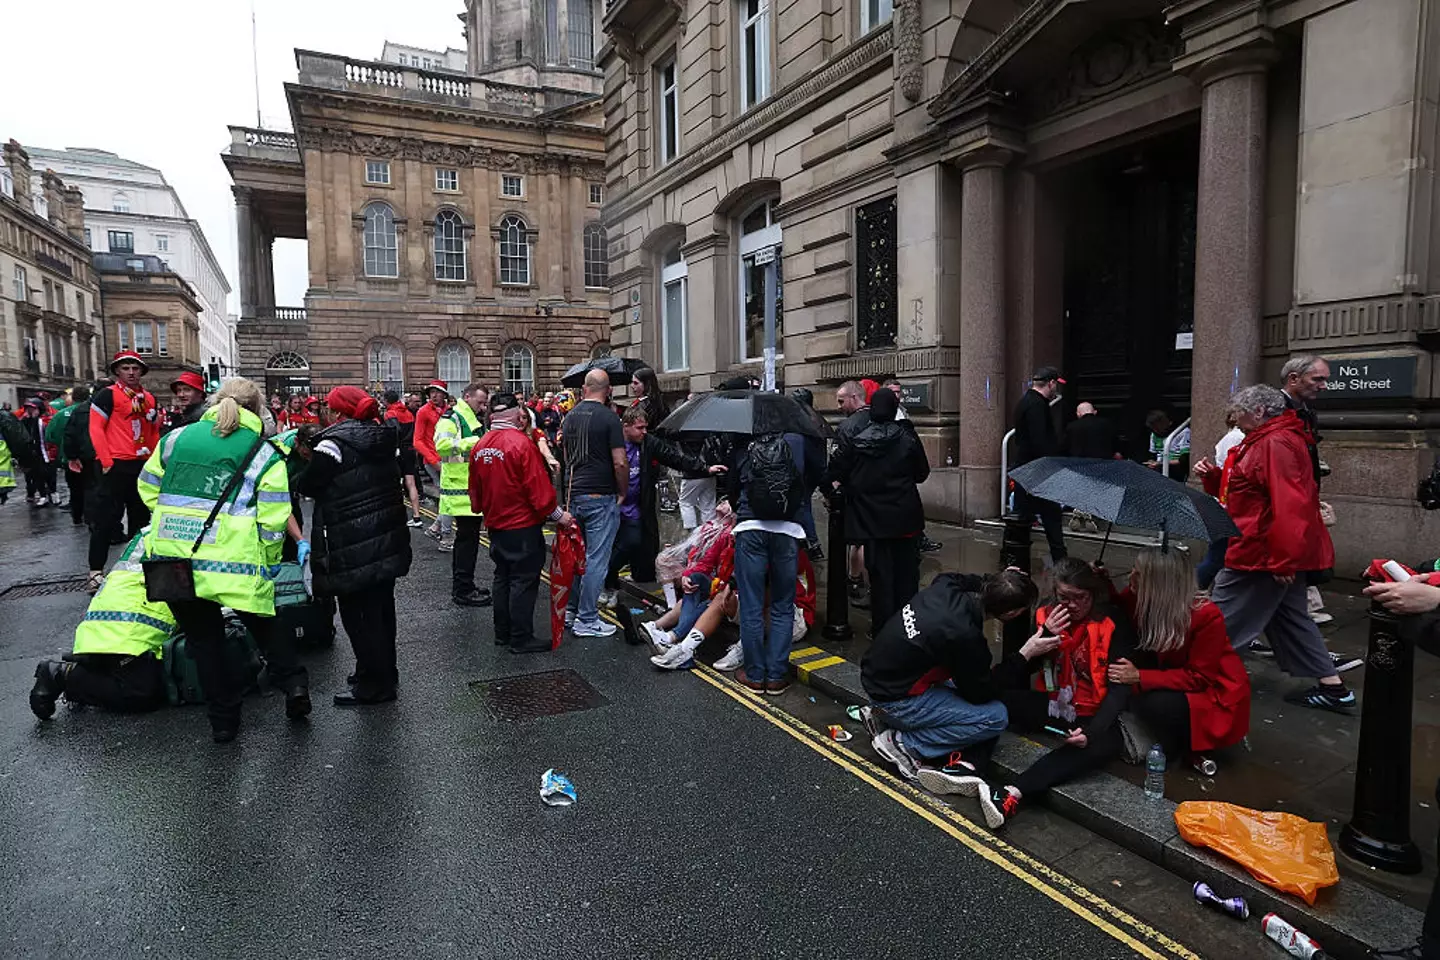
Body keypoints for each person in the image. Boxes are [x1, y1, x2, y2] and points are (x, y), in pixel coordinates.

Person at [137, 378, 309, 742]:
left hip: (175, 559)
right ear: (256, 408)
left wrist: (173, 521)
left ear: (215, 401)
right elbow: (275, 514)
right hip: (236, 563)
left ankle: (224, 722)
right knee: (264, 623)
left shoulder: (175, 439)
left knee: (204, 641)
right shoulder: (263, 453)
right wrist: (271, 555)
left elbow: (148, 486)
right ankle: (294, 687)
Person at [1205, 383, 1354, 712]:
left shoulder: (1274, 443)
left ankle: (1199, 678)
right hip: (1267, 549)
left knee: (1219, 619)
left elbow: (1288, 505)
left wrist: (1283, 560)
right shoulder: (1273, 440)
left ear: (1258, 411)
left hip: (1258, 553)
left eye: (1240, 413)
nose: (1236, 420)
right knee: (1290, 617)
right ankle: (1334, 688)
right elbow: (1256, 493)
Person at [982, 558, 1136, 828]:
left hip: (1094, 713)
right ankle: (965, 762)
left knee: (1100, 744)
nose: (1073, 605)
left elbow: (1118, 690)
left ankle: (1014, 792)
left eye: (1081, 598)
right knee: (995, 697)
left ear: (1093, 594)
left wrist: (1092, 731)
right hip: (1056, 703)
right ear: (1055, 592)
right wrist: (1045, 635)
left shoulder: (1113, 622)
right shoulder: (1045, 614)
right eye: (1065, 597)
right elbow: (1024, 669)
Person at [862, 570, 1039, 787]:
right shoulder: (965, 636)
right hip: (894, 700)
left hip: (875, 677)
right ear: (1011, 614)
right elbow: (981, 694)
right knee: (995, 716)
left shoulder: (945, 586)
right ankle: (905, 744)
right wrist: (1025, 654)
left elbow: (959, 577)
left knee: (956, 682)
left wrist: (1000, 580)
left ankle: (882, 718)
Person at [298, 386, 412, 705]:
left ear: (337, 413)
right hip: (385, 537)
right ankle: (381, 672)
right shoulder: (380, 436)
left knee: (359, 616)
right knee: (381, 612)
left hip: (351, 542)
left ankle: (373, 686)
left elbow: (310, 484)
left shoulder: (332, 444)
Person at [1105, 547, 1251, 766]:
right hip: (1171, 673)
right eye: (1132, 571)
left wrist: (1140, 677)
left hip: (1211, 691)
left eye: (1138, 575)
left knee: (1154, 703)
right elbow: (1119, 606)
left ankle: (1179, 748)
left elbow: (1199, 677)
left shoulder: (1205, 614)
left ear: (1159, 583)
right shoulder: (1140, 596)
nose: (1130, 578)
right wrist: (1102, 581)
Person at [724, 394, 818, 695]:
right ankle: (776, 676)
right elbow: (814, 476)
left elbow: (732, 486)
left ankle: (754, 674)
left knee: (751, 606)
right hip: (788, 530)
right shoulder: (798, 441)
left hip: (751, 527)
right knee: (781, 605)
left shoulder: (743, 444)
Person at [469, 392, 576, 654]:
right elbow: (538, 490)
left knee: (502, 576)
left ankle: (503, 633)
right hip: (521, 525)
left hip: (496, 523)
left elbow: (475, 489)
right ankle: (520, 637)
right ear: (518, 416)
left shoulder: (480, 445)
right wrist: (559, 516)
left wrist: (483, 512)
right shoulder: (520, 444)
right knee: (523, 580)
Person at [29, 532, 173, 719]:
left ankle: (95, 666)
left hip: (118, 619)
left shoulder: (158, 526)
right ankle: (61, 675)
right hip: (129, 627)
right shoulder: (195, 529)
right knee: (142, 693)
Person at [827, 388, 930, 635]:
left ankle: (882, 630)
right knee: (907, 577)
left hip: (872, 521)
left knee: (881, 577)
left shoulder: (857, 439)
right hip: (905, 518)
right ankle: (908, 628)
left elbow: (835, 472)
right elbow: (922, 473)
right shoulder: (908, 437)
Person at [608, 405, 723, 601]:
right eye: (639, 428)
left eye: (645, 427)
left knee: (632, 541)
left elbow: (674, 457)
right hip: (612, 505)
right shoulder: (612, 443)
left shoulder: (648, 443)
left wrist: (705, 468)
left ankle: (612, 577)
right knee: (614, 546)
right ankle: (607, 582)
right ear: (625, 427)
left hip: (636, 506)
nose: (644, 432)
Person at [562, 368, 628, 638]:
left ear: (585, 388)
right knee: (596, 560)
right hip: (600, 496)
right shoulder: (610, 418)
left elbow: (566, 458)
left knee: (578, 558)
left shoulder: (569, 417)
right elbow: (620, 461)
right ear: (608, 389)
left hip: (574, 494)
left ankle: (571, 610)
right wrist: (622, 491)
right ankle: (587, 620)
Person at [87, 351, 161, 591]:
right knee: (106, 519)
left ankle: (133, 569)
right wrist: (106, 461)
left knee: (140, 519)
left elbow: (153, 432)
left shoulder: (148, 398)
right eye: (126, 368)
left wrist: (154, 460)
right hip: (116, 464)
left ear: (141, 372)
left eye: (135, 368)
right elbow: (96, 428)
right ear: (117, 371)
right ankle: (95, 571)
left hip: (140, 464)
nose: (131, 372)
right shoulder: (107, 395)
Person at [1279, 354, 1337, 627]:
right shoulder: (1275, 411)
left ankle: (1322, 667)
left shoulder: (1305, 411)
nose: (1324, 386)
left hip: (1300, 502)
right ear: (1294, 379)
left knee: (1293, 601)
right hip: (1285, 509)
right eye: (1318, 379)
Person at [435, 382, 491, 605]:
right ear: (467, 397)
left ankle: (465, 585)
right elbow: (441, 445)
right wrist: (474, 442)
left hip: (469, 489)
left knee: (468, 541)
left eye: (485, 403)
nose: (484, 407)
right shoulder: (453, 418)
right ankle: (462, 590)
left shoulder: (471, 418)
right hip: (460, 491)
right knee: (466, 542)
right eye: (480, 402)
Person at [1011, 366, 1067, 563]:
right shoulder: (1037, 405)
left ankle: (1015, 561)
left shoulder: (1026, 401)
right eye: (1056, 386)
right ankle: (1060, 561)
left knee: (1021, 520)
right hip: (1037, 472)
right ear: (1051, 383)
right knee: (1051, 519)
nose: (1056, 391)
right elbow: (1040, 440)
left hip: (1027, 471)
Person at [830, 380, 872, 608]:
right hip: (877, 493)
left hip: (855, 491)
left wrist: (832, 485)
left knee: (859, 541)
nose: (838, 406)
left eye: (841, 400)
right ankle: (859, 580)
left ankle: (858, 582)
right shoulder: (879, 420)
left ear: (854, 397)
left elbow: (838, 463)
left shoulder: (848, 427)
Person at [384, 389, 423, 527]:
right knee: (411, 483)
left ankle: (396, 518)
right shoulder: (408, 413)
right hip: (411, 449)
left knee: (395, 484)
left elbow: (394, 432)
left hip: (398, 451)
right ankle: (417, 517)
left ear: (386, 400)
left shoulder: (390, 414)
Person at [415, 381, 450, 532]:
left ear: (444, 394)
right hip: (432, 460)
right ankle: (443, 533)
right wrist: (434, 461)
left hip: (448, 458)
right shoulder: (423, 411)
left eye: (438, 392)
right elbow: (417, 441)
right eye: (431, 392)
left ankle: (436, 527)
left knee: (447, 495)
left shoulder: (449, 411)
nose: (434, 396)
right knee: (447, 495)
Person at [21, 398, 57, 506]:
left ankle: (54, 494)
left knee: (49, 474)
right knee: (37, 475)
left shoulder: (45, 420)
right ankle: (43, 495)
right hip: (35, 454)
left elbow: (50, 438)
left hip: (47, 453)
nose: (30, 411)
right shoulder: (28, 421)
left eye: (32, 409)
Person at [1144, 409, 1190, 478]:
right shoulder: (1154, 434)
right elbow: (1153, 454)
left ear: (1164, 422)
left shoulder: (1183, 432)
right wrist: (1151, 463)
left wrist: (1161, 463)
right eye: (1153, 429)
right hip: (1159, 471)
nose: (1156, 431)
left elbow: (1184, 460)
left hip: (1177, 471)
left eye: (1157, 428)